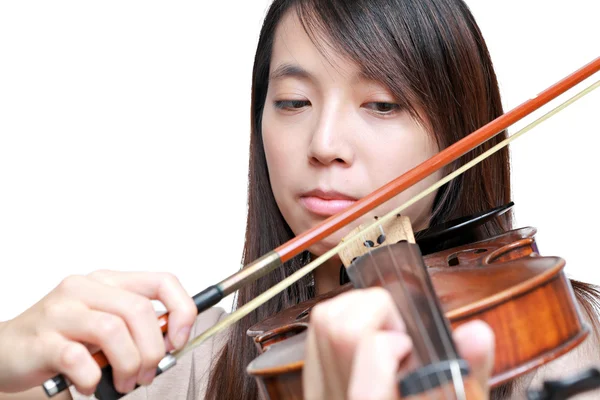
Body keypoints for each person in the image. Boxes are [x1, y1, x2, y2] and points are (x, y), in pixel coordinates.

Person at [1, 0, 599, 399]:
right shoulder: (199, 354)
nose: (325, 143)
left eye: (382, 104)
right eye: (291, 102)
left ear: (457, 128)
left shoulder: (571, 340)